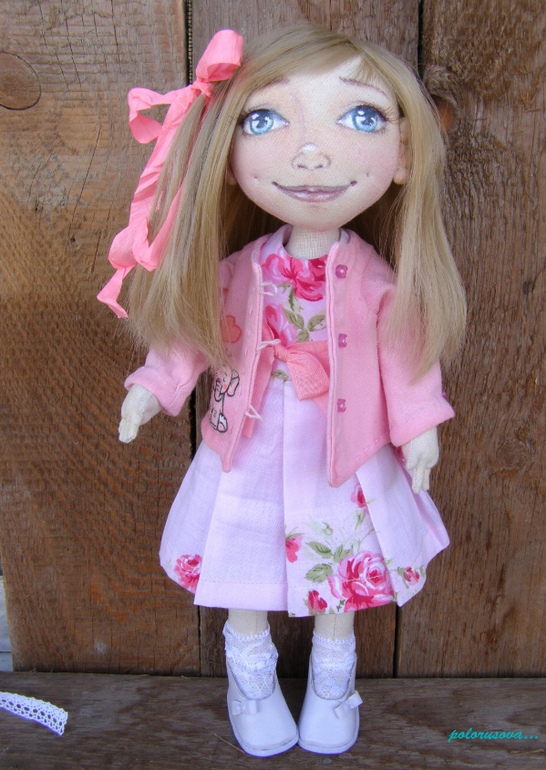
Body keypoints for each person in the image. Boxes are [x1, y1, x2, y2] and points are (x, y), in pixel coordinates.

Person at [98, 25, 466, 758]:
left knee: (340, 563)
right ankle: (251, 678)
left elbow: (405, 353)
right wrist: (154, 385)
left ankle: (333, 680)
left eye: (360, 117)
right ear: (229, 160)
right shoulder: (240, 268)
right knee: (242, 551)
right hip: (251, 440)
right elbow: (191, 333)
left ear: (402, 157)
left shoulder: (376, 279)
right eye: (264, 120)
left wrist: (419, 425)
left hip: (344, 450)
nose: (311, 152)